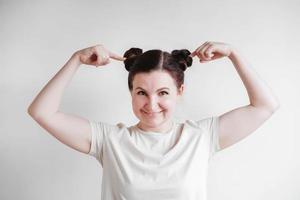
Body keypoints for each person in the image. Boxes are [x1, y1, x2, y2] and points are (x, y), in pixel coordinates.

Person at [27, 41, 280, 200]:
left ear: (179, 91)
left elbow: (265, 106)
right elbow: (42, 112)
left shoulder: (201, 137)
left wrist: (234, 54)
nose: (151, 105)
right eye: (141, 93)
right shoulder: (109, 141)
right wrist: (76, 60)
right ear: (131, 92)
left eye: (163, 93)